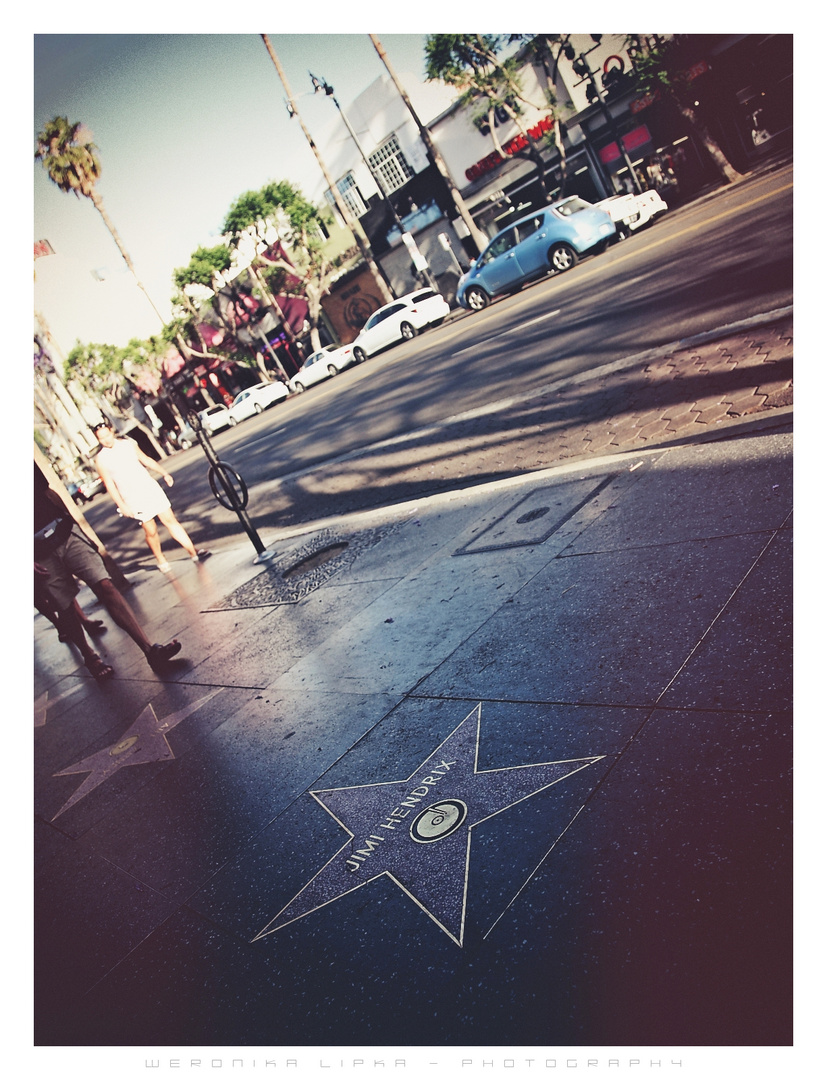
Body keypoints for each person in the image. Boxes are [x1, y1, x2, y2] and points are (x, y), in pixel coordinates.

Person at [34, 469, 182, 680]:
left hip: (64, 531)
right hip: (36, 551)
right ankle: (89, 655)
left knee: (105, 585)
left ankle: (150, 650)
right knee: (65, 605)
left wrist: (79, 530)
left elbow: (48, 493)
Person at [93, 421, 210, 572]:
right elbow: (109, 485)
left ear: (111, 431)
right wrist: (121, 505)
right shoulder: (101, 459)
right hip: (133, 497)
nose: (106, 440)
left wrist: (164, 473)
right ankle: (160, 558)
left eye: (107, 435)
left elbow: (146, 460)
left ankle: (193, 552)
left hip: (149, 487)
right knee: (151, 530)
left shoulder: (128, 444)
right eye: (101, 438)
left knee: (170, 521)